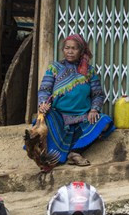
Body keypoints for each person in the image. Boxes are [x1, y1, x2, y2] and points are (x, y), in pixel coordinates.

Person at [31, 34, 114, 167]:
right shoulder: (55, 68)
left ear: (81, 51)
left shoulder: (89, 71)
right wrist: (43, 103)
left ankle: (75, 152)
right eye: (67, 48)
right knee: (44, 120)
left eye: (74, 48)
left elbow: (98, 94)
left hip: (83, 116)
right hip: (59, 115)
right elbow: (44, 89)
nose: (70, 51)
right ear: (63, 50)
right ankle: (48, 154)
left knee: (104, 122)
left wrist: (94, 109)